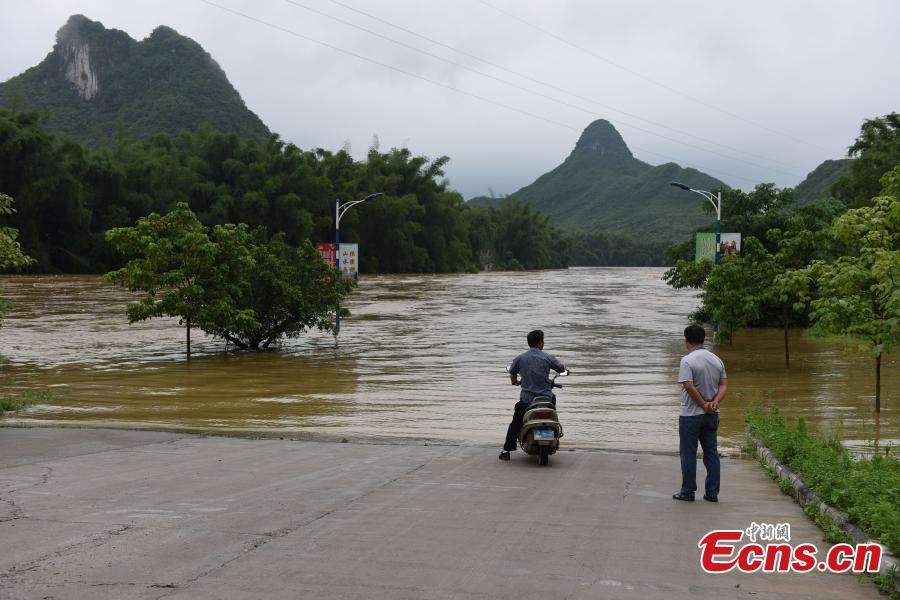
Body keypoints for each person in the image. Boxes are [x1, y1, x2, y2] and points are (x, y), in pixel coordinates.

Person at [673, 324, 727, 502]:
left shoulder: (687, 360)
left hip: (690, 415)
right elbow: (723, 384)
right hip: (712, 414)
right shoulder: (716, 359)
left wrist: (703, 404)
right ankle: (712, 493)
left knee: (688, 453)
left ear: (686, 341)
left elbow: (688, 386)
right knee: (711, 453)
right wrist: (714, 402)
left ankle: (688, 491)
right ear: (703, 339)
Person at [500, 330, 566, 461]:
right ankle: (555, 432)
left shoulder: (520, 358)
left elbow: (512, 372)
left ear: (529, 343)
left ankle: (506, 450)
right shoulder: (547, 357)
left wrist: (515, 381)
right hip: (546, 399)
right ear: (541, 343)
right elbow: (561, 369)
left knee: (516, 423)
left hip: (527, 401)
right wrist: (562, 363)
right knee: (553, 413)